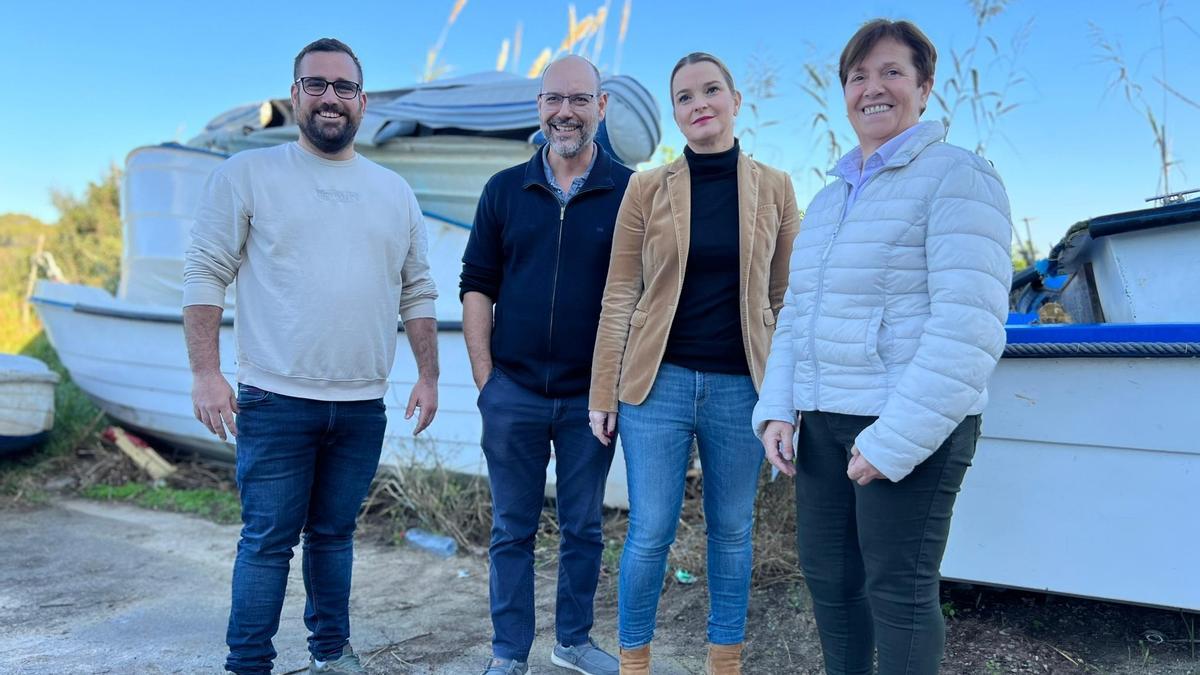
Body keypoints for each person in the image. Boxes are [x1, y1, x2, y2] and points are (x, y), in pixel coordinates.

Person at [752, 19, 1013, 675]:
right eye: (858, 76)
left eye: (892, 72)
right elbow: (797, 316)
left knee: (897, 592)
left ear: (924, 88)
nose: (873, 88)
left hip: (907, 422)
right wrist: (778, 407)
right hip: (823, 422)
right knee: (832, 585)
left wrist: (893, 436)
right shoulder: (831, 195)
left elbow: (969, 326)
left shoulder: (960, 177)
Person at [183, 38, 440, 675]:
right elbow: (205, 273)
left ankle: (332, 655)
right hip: (274, 400)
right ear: (296, 94)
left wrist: (429, 375)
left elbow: (418, 289)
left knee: (334, 538)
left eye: (344, 87)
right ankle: (248, 665)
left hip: (360, 406)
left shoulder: (393, 190)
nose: (331, 97)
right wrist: (206, 373)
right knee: (268, 542)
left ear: (362, 101)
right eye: (316, 85)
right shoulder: (247, 175)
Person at [588, 52, 800, 675]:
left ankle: (724, 662)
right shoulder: (646, 188)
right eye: (685, 96)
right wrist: (604, 391)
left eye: (711, 90)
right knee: (650, 530)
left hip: (743, 389)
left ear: (735, 100)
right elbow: (621, 292)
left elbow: (786, 299)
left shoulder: (777, 187)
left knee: (732, 532)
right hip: (658, 386)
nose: (699, 103)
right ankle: (634, 661)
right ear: (676, 113)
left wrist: (787, 397)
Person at [459, 54, 629, 675]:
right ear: (539, 107)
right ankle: (509, 654)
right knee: (512, 531)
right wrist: (487, 385)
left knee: (584, 528)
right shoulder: (503, 189)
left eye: (580, 100)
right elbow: (477, 284)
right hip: (515, 394)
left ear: (601, 107)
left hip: (592, 400)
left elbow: (643, 294)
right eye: (554, 99)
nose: (566, 112)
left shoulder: (631, 191)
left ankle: (573, 642)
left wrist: (613, 386)